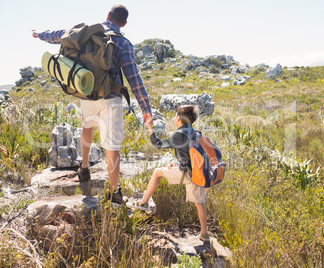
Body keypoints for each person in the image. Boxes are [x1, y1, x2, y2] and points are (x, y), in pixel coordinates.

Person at [32, 4, 153, 204]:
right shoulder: (123, 43)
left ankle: (85, 167)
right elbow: (134, 79)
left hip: (86, 93)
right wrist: (146, 109)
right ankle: (114, 192)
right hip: (110, 98)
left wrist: (40, 34)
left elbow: (60, 34)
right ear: (124, 23)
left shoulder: (87, 32)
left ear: (107, 15)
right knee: (112, 146)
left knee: (86, 127)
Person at [138, 105, 210, 242]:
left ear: (180, 119)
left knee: (157, 173)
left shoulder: (179, 135)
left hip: (186, 175)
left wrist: (149, 128)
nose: (174, 118)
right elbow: (191, 156)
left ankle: (144, 203)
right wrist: (178, 164)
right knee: (200, 203)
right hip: (198, 174)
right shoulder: (196, 133)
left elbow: (158, 144)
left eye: (176, 116)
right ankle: (204, 234)